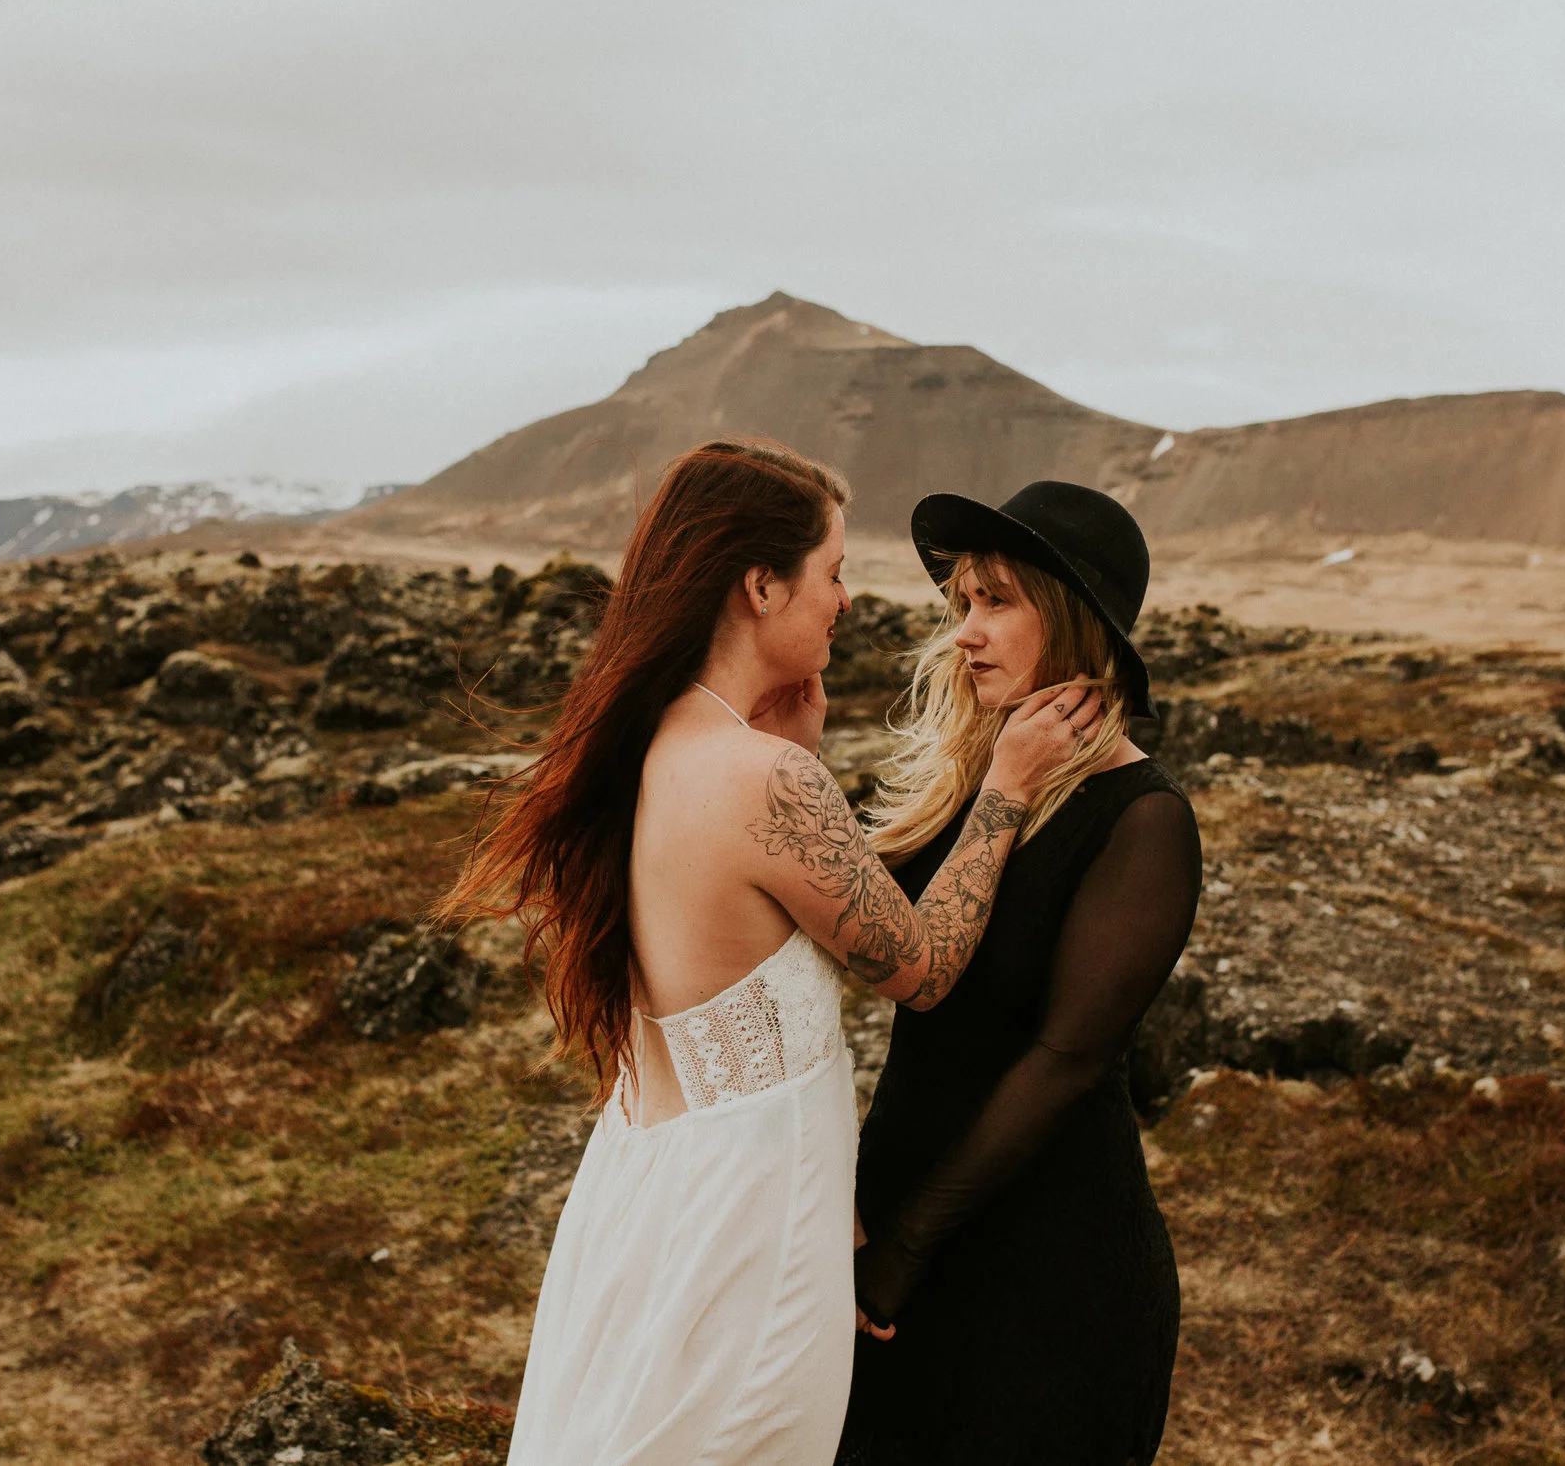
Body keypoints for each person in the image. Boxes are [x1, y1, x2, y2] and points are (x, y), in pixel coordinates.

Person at [440, 439, 1104, 1466]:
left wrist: (793, 756)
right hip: (747, 1227)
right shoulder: (760, 781)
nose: (845, 600)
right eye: (832, 571)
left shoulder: (654, 743)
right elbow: (921, 968)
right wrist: (1006, 788)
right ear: (760, 584)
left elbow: (730, 931)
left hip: (654, 1194)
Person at [840, 480, 1204, 1466]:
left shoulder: (1142, 818)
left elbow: (1066, 1060)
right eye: (959, 603)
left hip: (1045, 1268)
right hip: (894, 1220)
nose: (964, 631)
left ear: (1075, 621)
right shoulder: (966, 781)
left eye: (996, 600)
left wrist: (905, 1250)